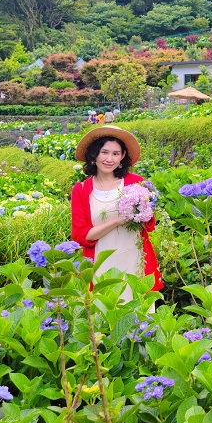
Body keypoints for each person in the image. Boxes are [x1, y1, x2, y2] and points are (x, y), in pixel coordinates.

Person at [70, 126, 163, 303]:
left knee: (138, 313)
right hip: (101, 260)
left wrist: (144, 209)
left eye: (115, 154)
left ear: (122, 157)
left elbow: (150, 224)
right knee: (104, 310)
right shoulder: (81, 190)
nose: (109, 159)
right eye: (104, 152)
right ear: (94, 155)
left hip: (134, 257)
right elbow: (81, 235)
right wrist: (118, 220)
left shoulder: (135, 183)